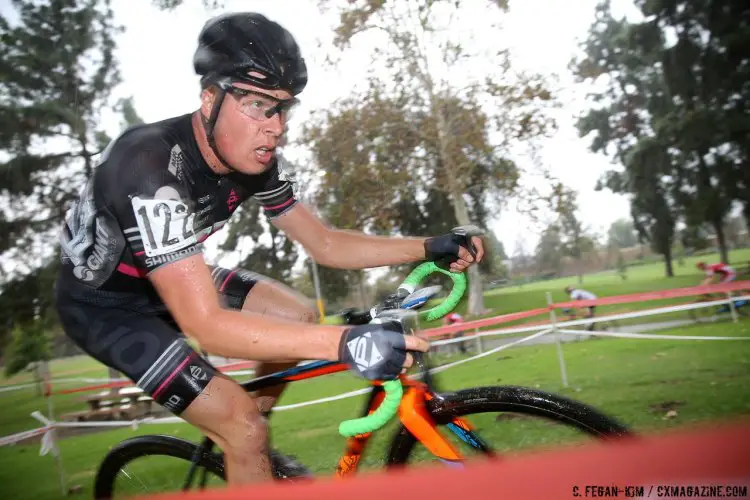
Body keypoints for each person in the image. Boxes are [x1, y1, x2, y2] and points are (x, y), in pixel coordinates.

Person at [53, 12, 483, 485]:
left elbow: (325, 243)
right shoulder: (149, 166)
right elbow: (206, 326)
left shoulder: (257, 164)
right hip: (109, 308)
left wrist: (428, 246)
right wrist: (345, 343)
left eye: (283, 108)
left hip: (170, 276)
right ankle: (241, 434)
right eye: (258, 105)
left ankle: (245, 446)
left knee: (296, 316)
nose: (275, 127)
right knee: (241, 424)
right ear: (210, 98)